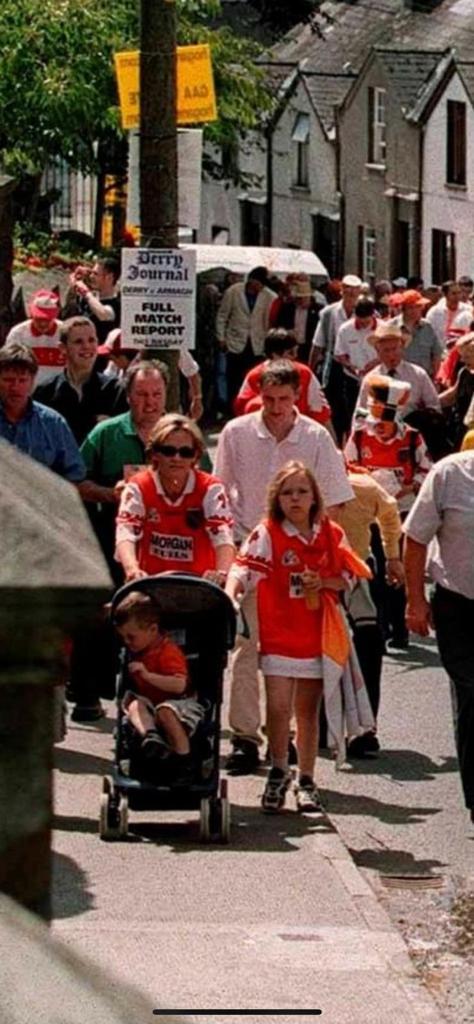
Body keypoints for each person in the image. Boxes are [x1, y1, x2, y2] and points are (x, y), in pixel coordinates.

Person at [215, 360, 353, 773]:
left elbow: (336, 501)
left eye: (284, 400)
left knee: (295, 650)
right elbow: (219, 495)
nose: (276, 409)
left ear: (297, 397)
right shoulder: (236, 433)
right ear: (258, 395)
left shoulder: (315, 437)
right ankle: (244, 736)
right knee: (246, 647)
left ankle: (289, 736)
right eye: (268, 400)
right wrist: (228, 557)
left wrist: (324, 554)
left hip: (301, 558)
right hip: (251, 547)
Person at [225, 461, 373, 813]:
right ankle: (278, 770)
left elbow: (351, 576)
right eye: (288, 492)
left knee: (307, 712)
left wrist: (325, 582)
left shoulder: (330, 533)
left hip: (316, 635)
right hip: (277, 634)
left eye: (302, 491)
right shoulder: (267, 533)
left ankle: (307, 779)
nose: (295, 499)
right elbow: (243, 568)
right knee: (277, 708)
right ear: (277, 498)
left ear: (314, 497)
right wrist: (231, 595)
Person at [403, 449, 474, 823]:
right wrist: (414, 601)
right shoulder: (450, 475)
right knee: (472, 695)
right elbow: (415, 539)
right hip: (460, 604)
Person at [345, 373, 431, 651]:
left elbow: (426, 470)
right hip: (367, 514)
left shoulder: (413, 439)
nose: (378, 430)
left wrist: (408, 488)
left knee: (399, 568)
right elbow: (346, 467)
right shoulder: (358, 438)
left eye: (383, 424)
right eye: (375, 424)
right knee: (374, 569)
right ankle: (378, 626)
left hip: (401, 513)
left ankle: (401, 628)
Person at [115, 413, 235, 584]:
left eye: (186, 452)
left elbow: (222, 535)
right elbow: (126, 531)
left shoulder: (211, 488)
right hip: (152, 585)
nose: (176, 458)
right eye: (168, 451)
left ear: (195, 456)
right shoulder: (138, 486)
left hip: (201, 586)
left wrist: (222, 573)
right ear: (155, 453)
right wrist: (132, 569)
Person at [113, 591, 204, 783]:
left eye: (131, 637)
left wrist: (147, 675)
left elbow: (179, 685)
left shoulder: (168, 651)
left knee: (165, 711)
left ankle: (184, 759)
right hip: (152, 703)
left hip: (182, 704)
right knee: (133, 703)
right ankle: (151, 736)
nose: (127, 643)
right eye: (123, 638)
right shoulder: (137, 651)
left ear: (153, 630)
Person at [357, 321, 446, 460]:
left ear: (402, 347)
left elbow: (434, 406)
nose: (392, 354)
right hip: (380, 440)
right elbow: (360, 415)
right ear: (377, 351)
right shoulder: (371, 379)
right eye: (386, 350)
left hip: (414, 439)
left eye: (395, 349)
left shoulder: (418, 374)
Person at [0, 343, 86, 485]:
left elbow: (75, 474)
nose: (15, 387)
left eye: (22, 380)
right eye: (8, 380)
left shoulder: (52, 423)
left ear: (33, 381)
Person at [34, 317, 127, 443]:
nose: (87, 346)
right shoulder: (45, 392)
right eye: (78, 342)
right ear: (63, 348)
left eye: (92, 340)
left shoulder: (116, 390)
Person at [233, 328, 331, 425]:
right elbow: (241, 409)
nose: (295, 356)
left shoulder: (305, 373)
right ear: (274, 354)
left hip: (299, 433)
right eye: (291, 353)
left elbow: (320, 410)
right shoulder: (254, 376)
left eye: (296, 351)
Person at [309, 273, 363, 443]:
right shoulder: (328, 313)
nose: (351, 295)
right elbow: (319, 343)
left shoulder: (367, 311)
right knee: (335, 407)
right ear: (342, 292)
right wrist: (311, 369)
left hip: (358, 367)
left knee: (356, 408)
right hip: (334, 365)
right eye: (347, 291)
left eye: (354, 292)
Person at [215, 266, 276, 406]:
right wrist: (221, 338)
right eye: (259, 283)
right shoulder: (233, 291)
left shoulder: (269, 296)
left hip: (257, 344)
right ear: (252, 280)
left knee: (253, 377)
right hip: (235, 341)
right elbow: (222, 315)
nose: (260, 287)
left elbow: (270, 321)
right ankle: (231, 406)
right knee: (233, 377)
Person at [333, 297, 380, 433]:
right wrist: (351, 367)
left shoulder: (383, 328)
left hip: (378, 379)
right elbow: (339, 354)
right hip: (352, 380)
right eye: (360, 320)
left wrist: (375, 363)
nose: (364, 324)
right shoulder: (345, 329)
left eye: (367, 321)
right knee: (354, 415)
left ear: (373, 315)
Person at [5, 289, 64, 384]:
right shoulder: (18, 333)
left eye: (47, 319)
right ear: (31, 314)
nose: (43, 324)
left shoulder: (66, 332)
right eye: (39, 319)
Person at [388, 289, 444, 378]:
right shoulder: (391, 327)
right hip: (398, 379)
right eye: (411, 307)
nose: (415, 310)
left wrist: (436, 379)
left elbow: (437, 354)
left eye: (418, 306)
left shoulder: (427, 327)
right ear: (403, 308)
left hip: (424, 379)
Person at [69, 256, 121, 343]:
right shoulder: (89, 300)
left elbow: (103, 314)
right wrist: (75, 281)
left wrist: (85, 291)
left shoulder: (116, 304)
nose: (91, 277)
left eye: (96, 274)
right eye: (91, 273)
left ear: (109, 277)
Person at [274, 274, 324, 364]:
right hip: (290, 348)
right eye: (297, 298)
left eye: (302, 298)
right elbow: (279, 327)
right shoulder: (287, 308)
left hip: (309, 348)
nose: (299, 301)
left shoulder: (319, 311)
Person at [439, 333, 474, 448]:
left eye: (467, 356)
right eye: (461, 356)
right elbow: (453, 395)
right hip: (459, 426)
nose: (463, 360)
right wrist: (431, 401)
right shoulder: (464, 372)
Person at [426, 280, 472, 346]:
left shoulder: (468, 310)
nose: (457, 297)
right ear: (445, 294)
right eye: (453, 293)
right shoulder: (434, 312)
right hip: (439, 352)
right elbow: (428, 335)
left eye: (459, 293)